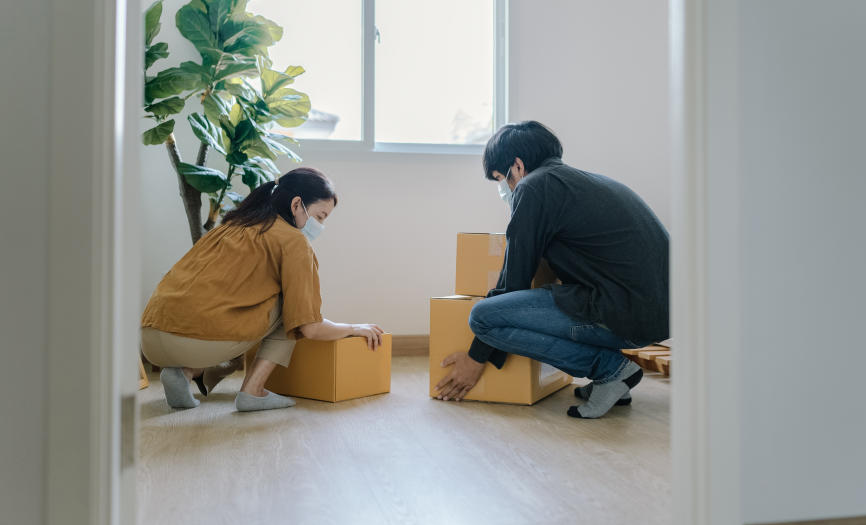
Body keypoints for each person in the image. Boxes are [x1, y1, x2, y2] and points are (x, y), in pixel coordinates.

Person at [433, 121, 669, 418]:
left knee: (483, 317)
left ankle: (611, 370)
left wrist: (476, 357)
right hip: (656, 317)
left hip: (628, 316)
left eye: (499, 178)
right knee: (543, 301)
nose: (504, 189)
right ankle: (612, 374)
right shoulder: (580, 183)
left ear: (516, 166)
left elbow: (512, 284)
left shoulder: (534, 187)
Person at [141, 167, 384, 412]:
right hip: (197, 341)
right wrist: (354, 328)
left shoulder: (234, 224)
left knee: (239, 305)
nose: (320, 225)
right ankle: (253, 391)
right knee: (291, 309)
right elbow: (309, 327)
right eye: (320, 217)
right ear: (297, 204)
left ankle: (185, 373)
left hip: (150, 337)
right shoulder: (293, 241)